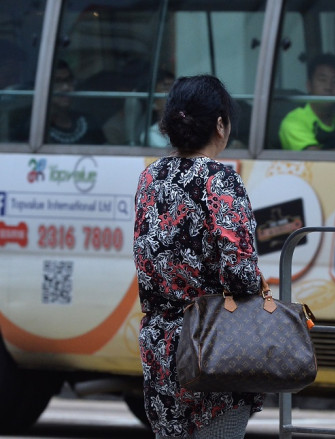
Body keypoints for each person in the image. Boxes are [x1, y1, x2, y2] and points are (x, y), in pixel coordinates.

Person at [133, 74, 264, 438]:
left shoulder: (150, 177)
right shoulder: (220, 180)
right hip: (213, 343)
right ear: (220, 125)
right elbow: (241, 273)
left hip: (161, 344)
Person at [279, 53, 335, 150]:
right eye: (322, 80)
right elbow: (315, 159)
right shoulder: (294, 121)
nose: (328, 87)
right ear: (309, 85)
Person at [46, 60, 104, 144]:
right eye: (57, 81)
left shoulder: (88, 121)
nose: (66, 88)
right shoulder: (32, 125)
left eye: (68, 80)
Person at [140, 69, 175, 147]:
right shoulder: (150, 136)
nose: (173, 95)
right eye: (166, 89)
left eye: (174, 88)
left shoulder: (189, 131)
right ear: (154, 104)